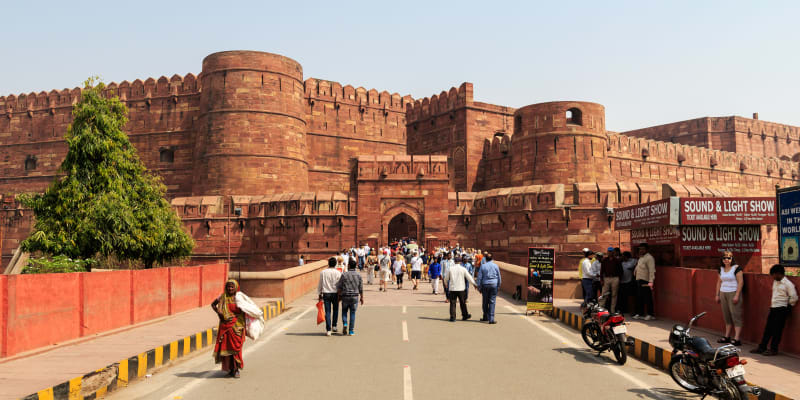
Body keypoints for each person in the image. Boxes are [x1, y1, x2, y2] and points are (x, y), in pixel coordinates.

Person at [751, 264, 797, 356]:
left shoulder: (788, 284)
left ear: (778, 274)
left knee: (777, 330)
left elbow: (794, 297)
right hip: (773, 308)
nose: (772, 277)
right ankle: (762, 347)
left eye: (773, 275)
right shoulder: (776, 281)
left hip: (782, 309)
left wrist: (788, 307)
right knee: (768, 329)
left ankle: (773, 349)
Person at [211, 279, 247, 378]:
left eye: (232, 287)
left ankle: (236, 369)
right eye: (228, 286)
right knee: (226, 348)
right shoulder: (222, 297)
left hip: (237, 326)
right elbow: (213, 304)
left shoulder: (239, 298)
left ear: (235, 288)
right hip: (225, 326)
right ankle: (230, 368)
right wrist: (219, 313)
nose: (230, 288)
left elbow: (247, 309)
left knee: (236, 348)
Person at [715, 251, 744, 346]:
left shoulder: (736, 268)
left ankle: (737, 338)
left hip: (733, 292)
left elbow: (740, 282)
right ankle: (727, 336)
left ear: (732, 259)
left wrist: (737, 295)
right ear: (722, 260)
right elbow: (719, 282)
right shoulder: (721, 269)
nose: (726, 260)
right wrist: (717, 295)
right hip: (723, 292)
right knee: (726, 315)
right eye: (724, 258)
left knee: (736, 315)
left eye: (728, 258)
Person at [443, 256, 477, 322]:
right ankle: (465, 315)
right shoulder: (463, 269)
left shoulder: (450, 269)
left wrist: (446, 284)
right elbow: (469, 277)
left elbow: (446, 278)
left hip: (453, 288)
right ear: (460, 262)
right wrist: (474, 284)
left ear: (454, 261)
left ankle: (452, 317)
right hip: (461, 288)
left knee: (453, 303)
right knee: (463, 303)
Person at [338, 259, 364, 336]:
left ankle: (345, 323)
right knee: (352, 313)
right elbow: (361, 288)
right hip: (355, 296)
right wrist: (362, 297)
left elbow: (340, 287)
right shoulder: (358, 275)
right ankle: (351, 331)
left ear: (349, 266)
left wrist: (339, 296)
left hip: (345, 296)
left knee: (344, 311)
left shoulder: (344, 274)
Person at [318, 257, 343, 336]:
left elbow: (320, 284)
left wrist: (319, 294)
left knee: (328, 312)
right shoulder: (338, 272)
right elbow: (340, 285)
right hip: (335, 293)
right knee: (335, 310)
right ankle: (334, 326)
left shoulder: (323, 272)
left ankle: (328, 330)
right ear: (335, 264)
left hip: (326, 293)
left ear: (328, 263)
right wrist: (341, 295)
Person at [476, 253, 501, 324]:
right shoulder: (495, 266)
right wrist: (498, 285)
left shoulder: (483, 266)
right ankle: (491, 319)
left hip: (485, 285)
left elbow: (479, 277)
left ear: (485, 259)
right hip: (494, 284)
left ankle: (485, 316)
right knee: (492, 302)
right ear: (492, 259)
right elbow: (499, 276)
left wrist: (479, 287)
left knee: (485, 301)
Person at [633, 243, 656, 320]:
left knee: (647, 298)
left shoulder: (649, 258)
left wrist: (651, 282)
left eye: (643, 249)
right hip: (639, 280)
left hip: (646, 281)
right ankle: (640, 313)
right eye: (640, 249)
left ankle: (650, 314)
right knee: (640, 297)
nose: (641, 250)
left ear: (647, 249)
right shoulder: (641, 258)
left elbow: (651, 271)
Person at [601, 247, 623, 312]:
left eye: (611, 252)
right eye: (609, 251)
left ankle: (612, 310)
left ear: (613, 252)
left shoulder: (617, 260)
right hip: (607, 278)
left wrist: (619, 279)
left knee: (614, 294)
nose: (610, 253)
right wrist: (601, 279)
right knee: (604, 293)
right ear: (607, 252)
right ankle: (601, 308)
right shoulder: (604, 260)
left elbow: (621, 271)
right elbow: (602, 271)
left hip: (615, 278)